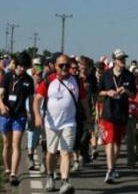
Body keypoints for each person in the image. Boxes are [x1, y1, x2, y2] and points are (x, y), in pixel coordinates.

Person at [33, 54, 91, 194]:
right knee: (51, 152)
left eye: (67, 65)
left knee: (66, 152)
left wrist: (89, 118)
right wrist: (37, 116)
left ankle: (65, 182)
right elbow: (37, 100)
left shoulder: (76, 81)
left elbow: (84, 101)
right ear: (55, 66)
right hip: (51, 124)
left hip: (69, 122)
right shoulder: (48, 80)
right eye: (61, 65)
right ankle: (50, 176)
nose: (64, 68)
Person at [0, 52, 34, 186]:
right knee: (6, 144)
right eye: (21, 66)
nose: (22, 69)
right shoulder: (7, 76)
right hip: (6, 115)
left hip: (20, 115)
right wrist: (1, 106)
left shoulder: (28, 80)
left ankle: (13, 174)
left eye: (25, 67)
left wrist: (33, 117)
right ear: (16, 64)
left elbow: (31, 100)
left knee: (16, 145)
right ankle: (7, 169)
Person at [98, 49, 136, 184]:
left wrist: (126, 91)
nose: (123, 61)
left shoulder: (129, 76)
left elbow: (133, 94)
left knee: (118, 143)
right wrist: (108, 92)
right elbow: (99, 92)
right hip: (109, 112)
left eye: (124, 59)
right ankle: (110, 170)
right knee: (110, 141)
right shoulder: (106, 75)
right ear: (114, 60)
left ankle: (113, 167)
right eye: (120, 59)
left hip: (122, 112)